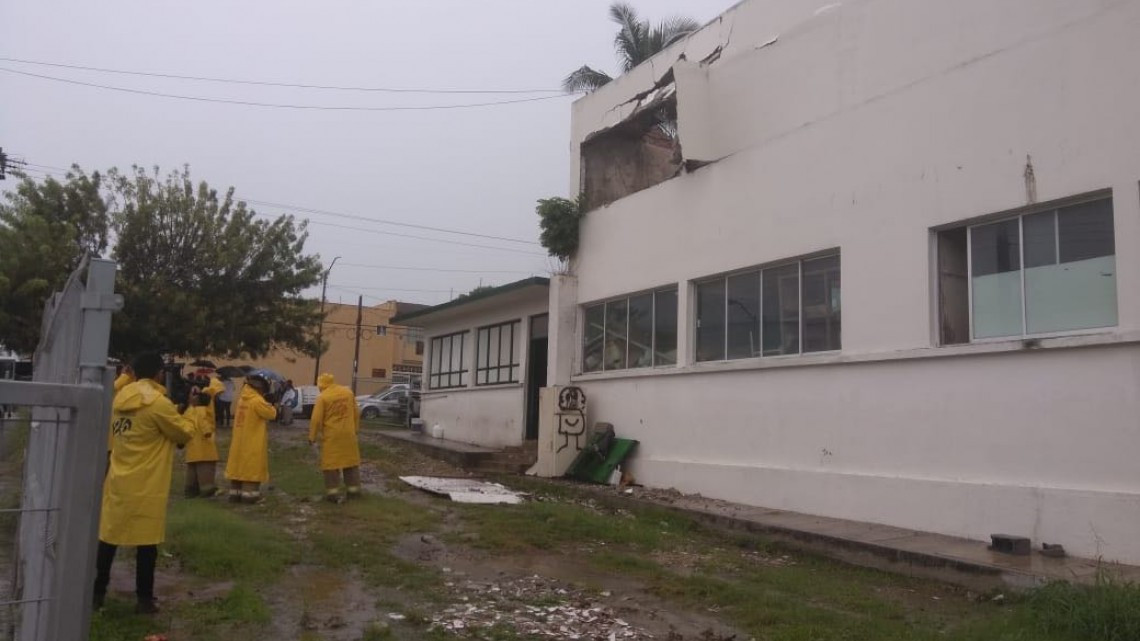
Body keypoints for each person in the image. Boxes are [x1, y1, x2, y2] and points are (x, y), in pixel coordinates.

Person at [95, 352, 195, 614]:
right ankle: (144, 600)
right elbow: (182, 432)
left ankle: (96, 596)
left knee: (108, 540)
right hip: (147, 484)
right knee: (147, 545)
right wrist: (190, 411)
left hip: (118, 479)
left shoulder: (119, 400)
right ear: (159, 373)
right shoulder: (158, 404)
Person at [309, 373, 362, 503]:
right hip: (349, 435)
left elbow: (316, 420)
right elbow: (356, 412)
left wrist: (312, 436)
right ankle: (353, 492)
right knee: (351, 463)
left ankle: (332, 494)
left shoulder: (323, 397)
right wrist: (355, 429)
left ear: (321, 385)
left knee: (331, 465)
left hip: (332, 436)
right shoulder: (348, 393)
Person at [224, 375, 277, 504]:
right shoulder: (257, 400)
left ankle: (234, 494)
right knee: (251, 469)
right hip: (253, 440)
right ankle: (250, 496)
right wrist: (271, 404)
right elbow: (271, 414)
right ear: (259, 388)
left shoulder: (242, 399)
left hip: (239, 440)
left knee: (238, 468)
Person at [182, 382, 223, 498]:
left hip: (192, 446)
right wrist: (207, 432)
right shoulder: (202, 408)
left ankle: (190, 490)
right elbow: (203, 421)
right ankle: (207, 489)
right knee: (206, 468)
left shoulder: (189, 409)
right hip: (204, 445)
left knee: (192, 470)